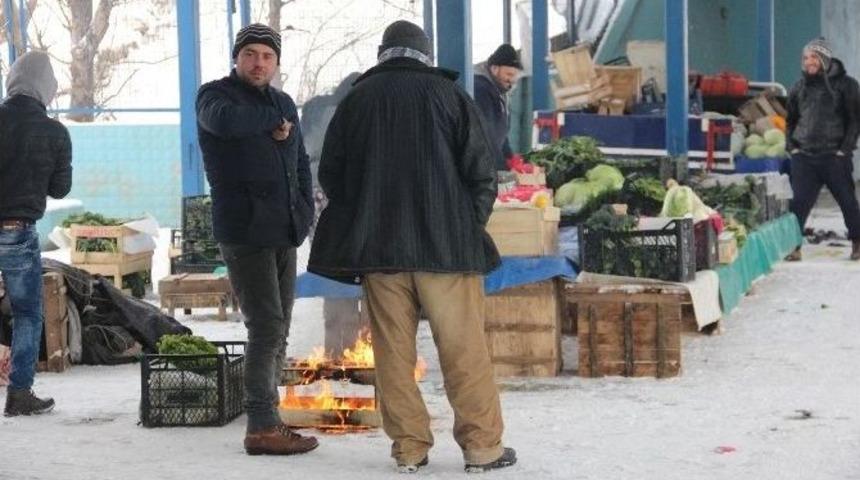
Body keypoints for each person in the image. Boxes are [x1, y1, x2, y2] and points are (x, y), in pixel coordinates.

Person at [309, 20, 517, 474]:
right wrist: (464, 225)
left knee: (392, 355)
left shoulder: (357, 100)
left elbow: (332, 177)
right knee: (463, 350)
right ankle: (482, 449)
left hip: (382, 253)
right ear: (426, 54)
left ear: (384, 53)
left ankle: (409, 448)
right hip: (448, 251)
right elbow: (483, 175)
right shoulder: (450, 96)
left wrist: (366, 217)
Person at [196, 23, 317, 455]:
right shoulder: (215, 96)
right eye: (250, 55)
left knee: (280, 327)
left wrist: (304, 211)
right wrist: (275, 118)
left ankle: (271, 417)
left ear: (276, 62)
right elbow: (226, 124)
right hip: (245, 230)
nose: (259, 63)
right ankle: (261, 425)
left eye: (267, 56)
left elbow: (299, 162)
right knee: (264, 326)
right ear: (237, 58)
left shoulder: (282, 102)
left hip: (283, 229)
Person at [0, 51, 72, 416]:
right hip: (17, 231)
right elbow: (60, 189)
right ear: (47, 88)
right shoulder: (55, 132)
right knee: (27, 313)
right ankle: (19, 394)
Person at [786, 37, 860, 261]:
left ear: (824, 58)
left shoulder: (847, 85)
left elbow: (855, 120)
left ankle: (857, 243)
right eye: (806, 57)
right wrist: (792, 148)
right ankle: (793, 246)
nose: (809, 62)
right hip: (804, 157)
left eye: (814, 57)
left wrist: (844, 151)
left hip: (834, 157)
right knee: (798, 204)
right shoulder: (798, 87)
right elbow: (790, 120)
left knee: (848, 202)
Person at [473, 43, 524, 171]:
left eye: (514, 76)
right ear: (495, 69)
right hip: (482, 166)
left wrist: (509, 156)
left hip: (491, 162)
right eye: (509, 74)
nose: (512, 81)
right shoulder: (481, 90)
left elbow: (501, 132)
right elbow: (486, 134)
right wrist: (502, 167)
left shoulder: (499, 92)